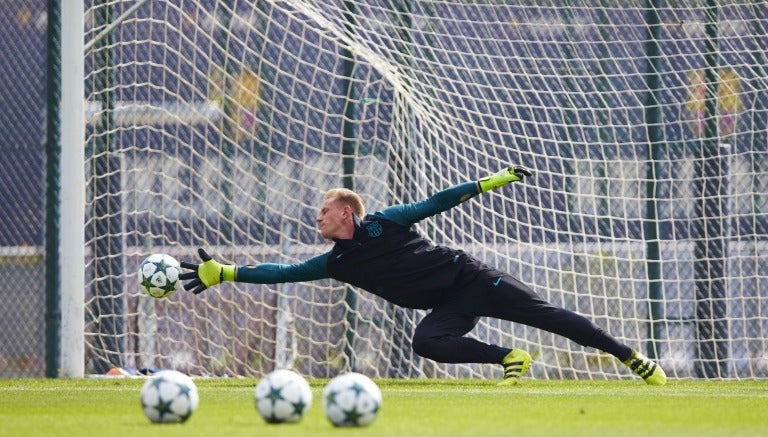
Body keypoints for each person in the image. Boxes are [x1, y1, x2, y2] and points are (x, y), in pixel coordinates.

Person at [180, 166, 667, 385]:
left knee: (552, 318)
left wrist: (488, 182)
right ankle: (511, 358)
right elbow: (282, 273)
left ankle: (632, 358)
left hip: (473, 279)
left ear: (348, 213)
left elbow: (434, 202)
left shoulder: (386, 221)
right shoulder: (336, 262)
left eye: (325, 211)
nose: (318, 218)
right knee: (427, 342)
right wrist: (225, 272)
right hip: (448, 306)